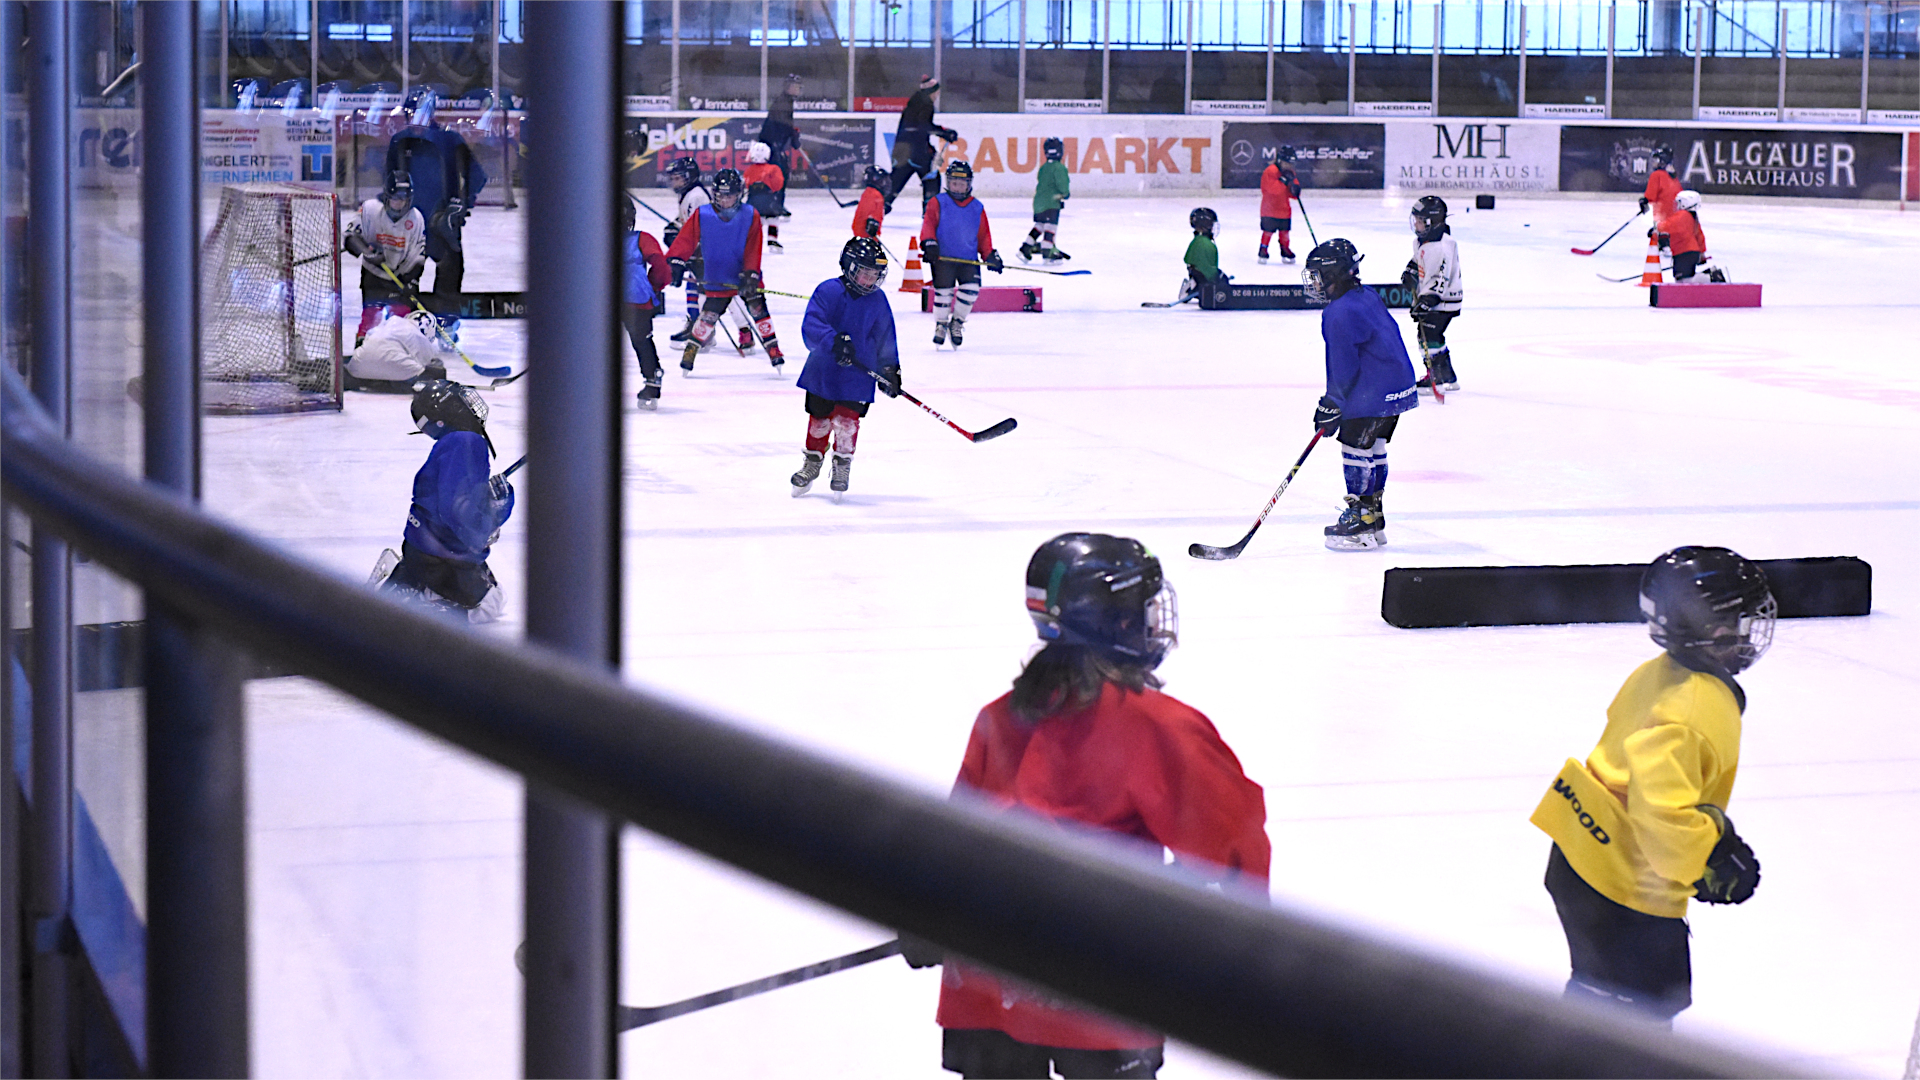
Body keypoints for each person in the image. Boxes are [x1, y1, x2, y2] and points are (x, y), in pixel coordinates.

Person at [904, 532, 1270, 1080]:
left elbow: (955, 842)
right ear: (1116, 622)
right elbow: (1232, 846)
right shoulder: (1158, 727)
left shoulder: (999, 717)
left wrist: (926, 910)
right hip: (1098, 983)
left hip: (989, 985)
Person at [1530, 547, 1772, 1023]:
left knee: (1601, 1000)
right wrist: (1710, 855)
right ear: (1716, 629)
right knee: (1638, 1015)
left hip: (1583, 857)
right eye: (1742, 619)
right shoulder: (1694, 711)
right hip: (1622, 885)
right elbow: (1661, 811)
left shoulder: (1659, 674)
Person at [1303, 238, 1419, 550]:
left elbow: (1343, 367)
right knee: (1374, 447)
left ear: (1333, 275)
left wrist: (1332, 404)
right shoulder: (1365, 295)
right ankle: (1373, 517)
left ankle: (1359, 520)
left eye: (1317, 275)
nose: (1313, 282)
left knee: (1355, 448)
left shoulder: (1338, 313)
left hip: (1373, 392)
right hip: (1396, 388)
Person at [373, 380, 515, 624]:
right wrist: (492, 512)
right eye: (458, 400)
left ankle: (408, 581)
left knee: (494, 597)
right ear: (445, 413)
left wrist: (481, 497)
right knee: (491, 604)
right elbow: (455, 509)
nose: (469, 403)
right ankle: (417, 599)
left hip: (427, 549)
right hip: (439, 555)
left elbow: (452, 497)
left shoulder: (458, 441)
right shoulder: (465, 441)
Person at [791, 238, 900, 501]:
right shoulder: (828, 291)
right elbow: (811, 326)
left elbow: (885, 336)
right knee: (819, 418)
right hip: (823, 370)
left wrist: (890, 369)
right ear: (850, 268)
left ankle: (842, 465)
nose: (870, 280)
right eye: (865, 273)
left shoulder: (878, 300)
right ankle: (812, 462)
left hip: (858, 374)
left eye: (875, 275)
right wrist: (833, 341)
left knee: (847, 421)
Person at [666, 167, 785, 373]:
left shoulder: (750, 215)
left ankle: (773, 349)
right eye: (721, 196)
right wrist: (675, 262)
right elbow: (685, 240)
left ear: (739, 195)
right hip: (717, 278)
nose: (726, 201)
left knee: (759, 311)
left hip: (745, 277)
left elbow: (753, 248)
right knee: (708, 317)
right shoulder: (703, 214)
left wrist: (751, 273)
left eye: (730, 196)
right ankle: (690, 352)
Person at [385, 88, 487, 323]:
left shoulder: (450, 140)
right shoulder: (399, 141)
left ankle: (446, 324)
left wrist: (461, 204)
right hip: (408, 226)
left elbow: (477, 176)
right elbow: (389, 181)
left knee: (450, 273)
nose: (413, 119)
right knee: (404, 281)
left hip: (442, 223)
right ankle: (409, 327)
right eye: (410, 114)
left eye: (417, 113)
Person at [921, 160, 1003, 349]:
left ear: (969, 184)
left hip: (968, 260)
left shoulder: (977, 207)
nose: (957, 187)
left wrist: (990, 255)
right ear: (948, 183)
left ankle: (957, 322)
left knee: (971, 290)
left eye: (962, 183)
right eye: (954, 183)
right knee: (943, 294)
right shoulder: (938, 202)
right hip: (943, 259)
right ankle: (941, 324)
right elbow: (928, 225)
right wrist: (929, 244)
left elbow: (983, 235)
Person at [344, 172, 429, 343]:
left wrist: (411, 281)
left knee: (401, 323)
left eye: (403, 199)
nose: (399, 203)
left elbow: (419, 256)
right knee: (370, 318)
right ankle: (362, 348)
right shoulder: (370, 210)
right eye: (395, 198)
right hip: (373, 274)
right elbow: (350, 236)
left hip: (400, 276)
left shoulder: (416, 219)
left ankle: (399, 354)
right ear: (387, 196)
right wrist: (368, 253)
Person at [1400, 195, 1462, 395]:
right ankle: (1448, 376)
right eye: (1416, 220)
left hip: (1442, 301)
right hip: (1437, 300)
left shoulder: (1442, 247)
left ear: (1432, 222)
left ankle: (1435, 376)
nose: (1416, 224)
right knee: (1434, 335)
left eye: (1420, 221)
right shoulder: (1425, 242)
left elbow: (1440, 277)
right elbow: (1419, 259)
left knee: (1427, 337)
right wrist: (1411, 271)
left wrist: (1427, 300)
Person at [623, 196, 671, 409]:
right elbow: (662, 268)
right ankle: (652, 377)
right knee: (642, 341)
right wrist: (653, 286)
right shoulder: (643, 238)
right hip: (638, 300)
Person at [889, 76, 959, 213]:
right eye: (936, 92)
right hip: (916, 153)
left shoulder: (913, 102)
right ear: (932, 92)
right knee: (932, 179)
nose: (937, 95)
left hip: (901, 150)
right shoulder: (926, 103)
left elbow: (915, 129)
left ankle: (876, 209)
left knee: (894, 184)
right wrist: (944, 133)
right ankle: (930, 213)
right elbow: (924, 126)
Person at [345, 308, 448, 393]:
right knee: (436, 369)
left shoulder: (391, 321)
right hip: (400, 376)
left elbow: (369, 337)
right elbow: (425, 364)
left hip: (357, 368)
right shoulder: (420, 337)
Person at [1019, 136, 1072, 263]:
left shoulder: (1043, 167)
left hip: (1039, 202)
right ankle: (1048, 250)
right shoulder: (1059, 168)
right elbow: (1063, 185)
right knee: (1051, 226)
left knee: (1040, 225)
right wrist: (1065, 194)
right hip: (1051, 202)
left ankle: (1026, 247)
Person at [756, 72, 804, 194]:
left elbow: (786, 124)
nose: (798, 89)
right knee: (779, 172)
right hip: (771, 143)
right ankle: (772, 203)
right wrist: (792, 134)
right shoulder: (783, 102)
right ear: (790, 87)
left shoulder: (787, 101)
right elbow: (781, 123)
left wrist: (792, 134)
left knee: (783, 171)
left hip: (775, 143)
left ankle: (777, 203)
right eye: (796, 86)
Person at [1664, 189, 1725, 283]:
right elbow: (1699, 236)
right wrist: (1701, 253)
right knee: (1683, 279)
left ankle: (1711, 277)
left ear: (1686, 203)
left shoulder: (1682, 215)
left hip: (1684, 252)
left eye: (1678, 202)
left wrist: (1657, 229)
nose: (1676, 205)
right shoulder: (1693, 218)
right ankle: (1710, 276)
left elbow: (1669, 225)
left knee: (1683, 280)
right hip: (1690, 252)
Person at [1257, 145, 1302, 265]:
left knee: (1285, 232)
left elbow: (1292, 194)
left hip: (1284, 210)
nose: (1290, 166)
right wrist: (1283, 181)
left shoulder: (1290, 172)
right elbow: (1271, 190)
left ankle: (1285, 249)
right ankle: (1263, 249)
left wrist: (1295, 189)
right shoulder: (1271, 171)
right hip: (1269, 209)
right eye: (1288, 163)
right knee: (1268, 231)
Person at [1179, 207, 1228, 306]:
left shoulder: (1200, 241)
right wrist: (1217, 278)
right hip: (1203, 278)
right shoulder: (1204, 243)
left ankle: (1194, 284)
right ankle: (1195, 285)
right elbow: (1205, 267)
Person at [743, 142, 787, 252]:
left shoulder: (749, 170)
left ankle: (751, 243)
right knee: (773, 219)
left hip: (753, 201)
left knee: (756, 222)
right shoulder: (774, 168)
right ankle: (772, 240)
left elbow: (746, 184)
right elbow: (778, 184)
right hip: (769, 201)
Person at [852, 165, 890, 239]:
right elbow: (866, 213)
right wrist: (870, 224)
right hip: (866, 236)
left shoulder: (874, 193)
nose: (885, 184)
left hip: (868, 236)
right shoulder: (873, 194)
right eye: (882, 180)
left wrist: (883, 209)